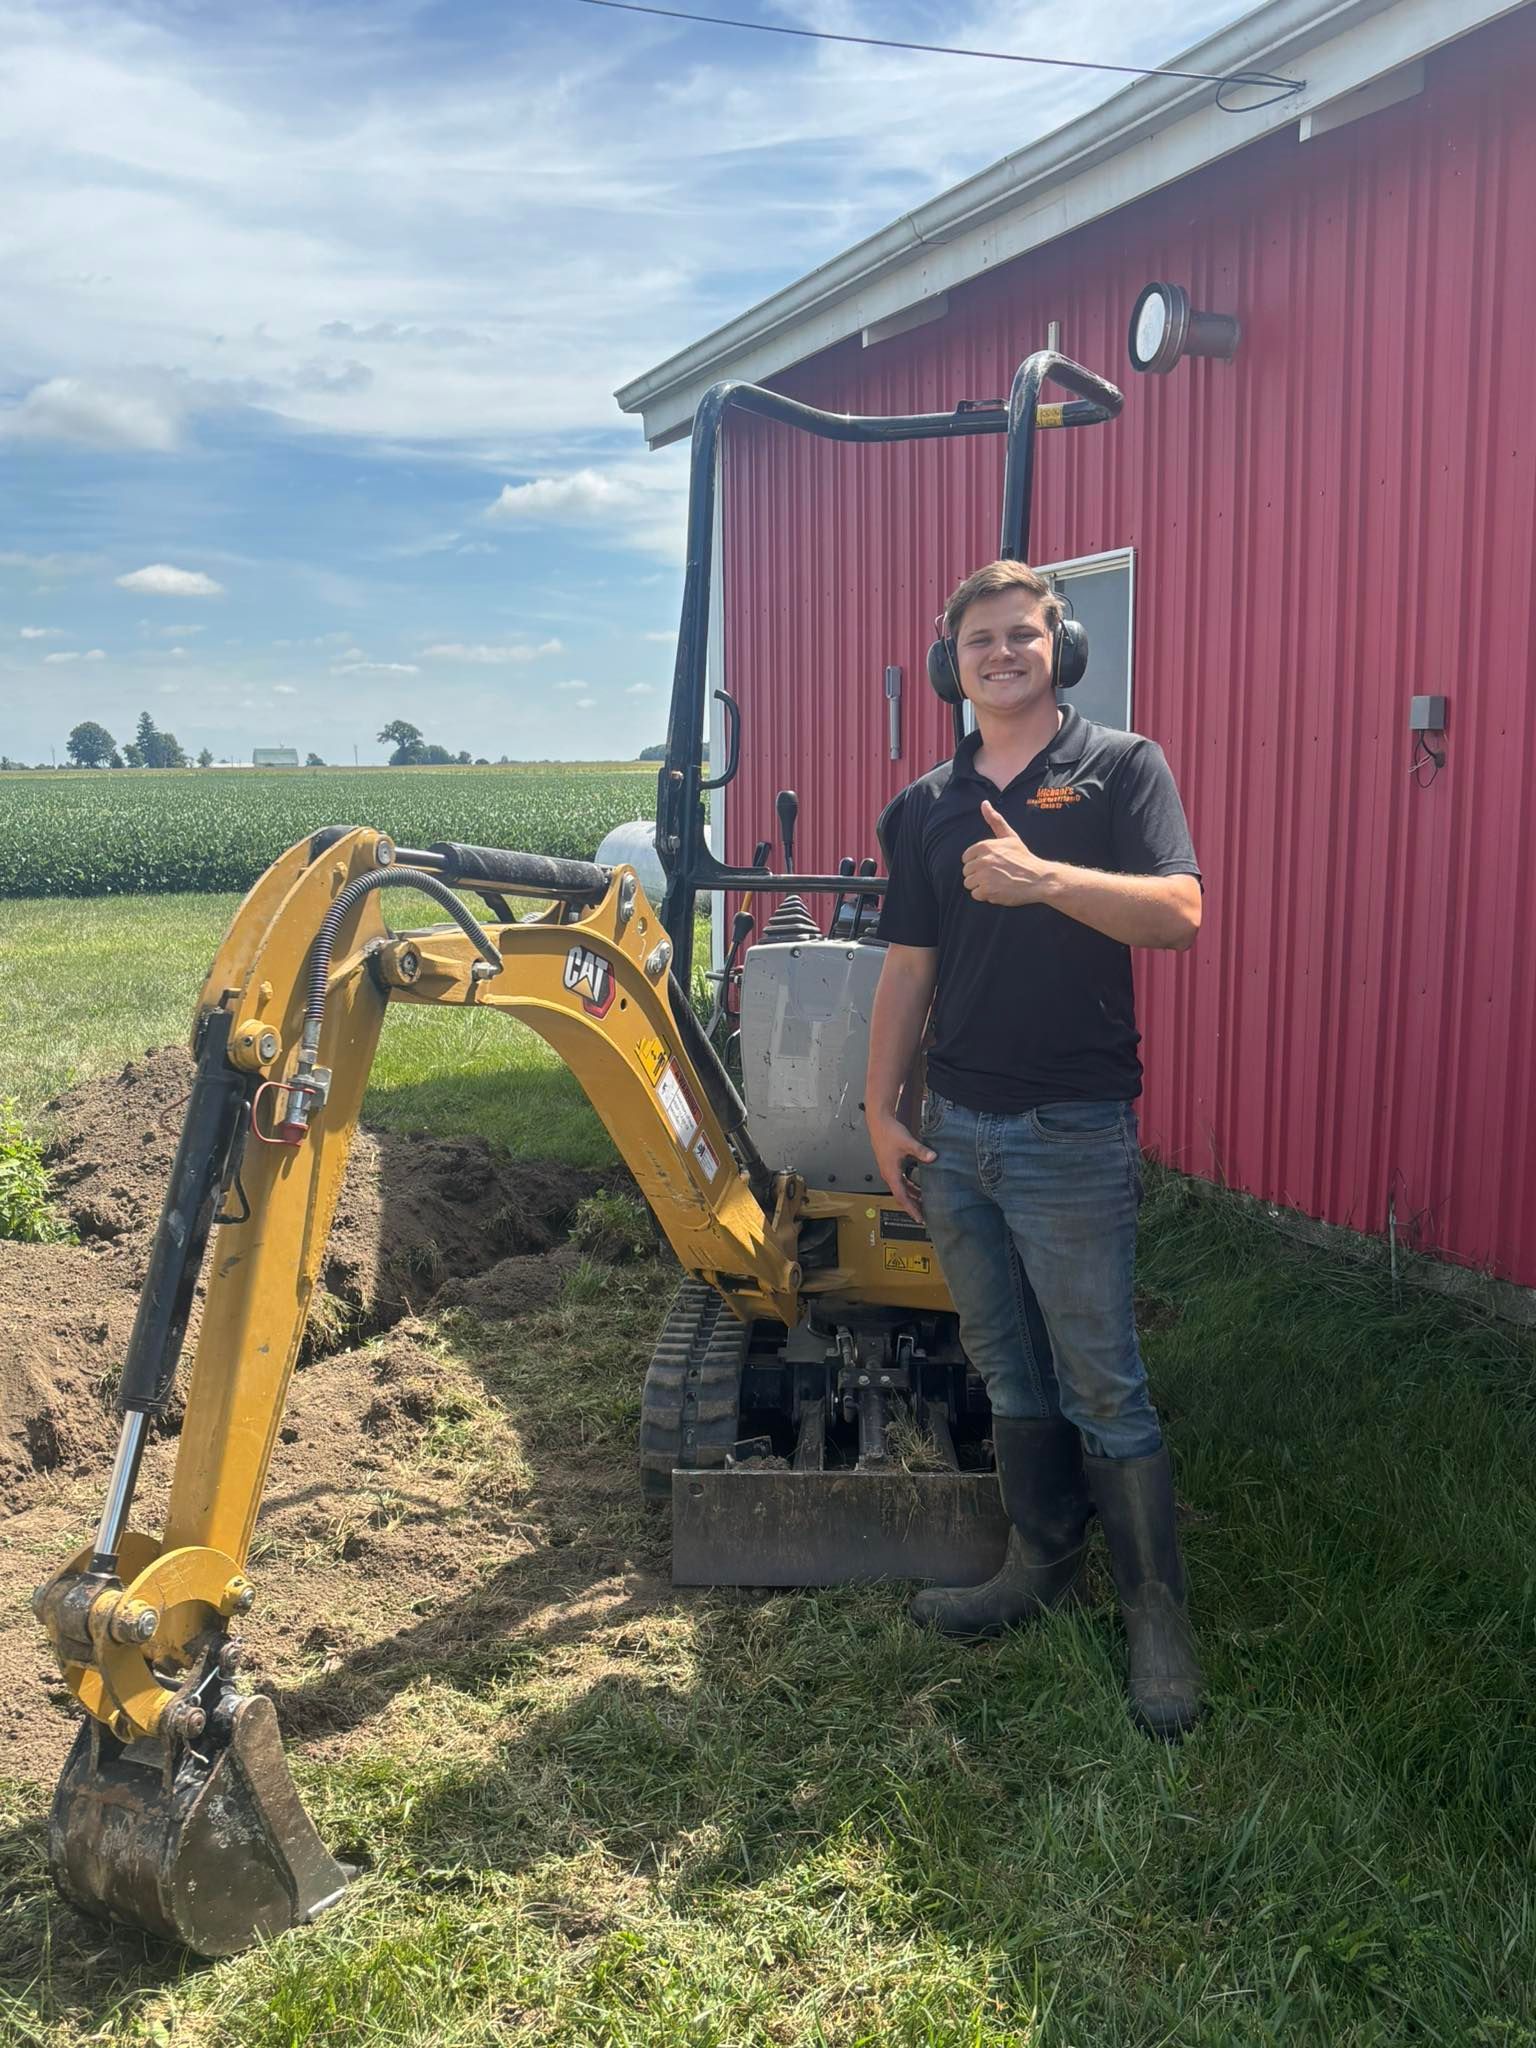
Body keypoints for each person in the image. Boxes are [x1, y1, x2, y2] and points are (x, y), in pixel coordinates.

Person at [864, 559, 1205, 1739]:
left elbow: (1179, 913)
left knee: (1104, 1378)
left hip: (1072, 1131)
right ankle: (1039, 1560)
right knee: (1007, 1369)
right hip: (958, 1134)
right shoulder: (921, 806)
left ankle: (1156, 1612)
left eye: (1022, 634)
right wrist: (879, 1105)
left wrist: (1041, 876)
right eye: (979, 641)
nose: (1001, 653)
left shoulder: (1121, 767)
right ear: (951, 662)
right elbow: (908, 967)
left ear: (1059, 648)